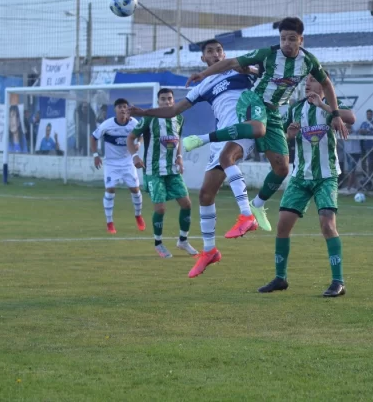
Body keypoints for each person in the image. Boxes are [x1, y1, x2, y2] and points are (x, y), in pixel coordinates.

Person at [184, 17, 348, 233]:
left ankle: (257, 205)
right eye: (283, 39)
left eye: (292, 39)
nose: (287, 43)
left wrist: (335, 113)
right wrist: (204, 73)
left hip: (273, 112)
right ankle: (202, 139)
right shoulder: (268, 53)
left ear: (301, 40)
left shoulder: (309, 62)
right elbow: (233, 62)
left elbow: (326, 83)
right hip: (254, 100)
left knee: (282, 168)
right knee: (256, 130)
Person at [128, 39, 260, 276]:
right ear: (203, 58)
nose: (216, 53)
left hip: (245, 126)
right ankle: (209, 251)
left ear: (224, 53)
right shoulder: (202, 86)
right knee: (205, 194)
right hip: (220, 134)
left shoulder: (239, 68)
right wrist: (144, 112)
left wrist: (247, 69)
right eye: (210, 51)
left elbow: (257, 72)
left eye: (219, 50)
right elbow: (174, 110)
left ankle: (248, 215)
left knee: (227, 157)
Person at [257, 74, 355, 297]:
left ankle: (338, 282)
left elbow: (351, 117)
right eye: (306, 80)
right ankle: (280, 278)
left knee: (327, 225)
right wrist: (288, 136)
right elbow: (279, 135)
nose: (307, 83)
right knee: (282, 225)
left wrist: (323, 105)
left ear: (325, 84)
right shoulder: (295, 109)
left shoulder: (332, 106)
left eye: (313, 79)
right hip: (300, 177)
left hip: (326, 176)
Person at [128, 89, 198, 259]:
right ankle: (158, 243)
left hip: (172, 170)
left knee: (187, 204)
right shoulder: (149, 118)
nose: (166, 102)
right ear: (158, 101)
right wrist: (135, 156)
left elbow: (177, 140)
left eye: (169, 99)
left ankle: (183, 241)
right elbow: (130, 138)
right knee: (160, 207)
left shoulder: (179, 118)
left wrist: (179, 157)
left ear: (173, 101)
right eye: (163, 99)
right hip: (153, 170)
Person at [90, 98, 145, 234]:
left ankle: (138, 215)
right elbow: (93, 137)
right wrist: (96, 155)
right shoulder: (107, 125)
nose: (122, 109)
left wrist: (139, 143)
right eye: (119, 107)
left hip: (128, 162)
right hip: (111, 164)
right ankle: (110, 222)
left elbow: (142, 134)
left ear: (127, 109)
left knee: (135, 190)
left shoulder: (134, 123)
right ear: (115, 110)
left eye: (124, 106)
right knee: (110, 190)